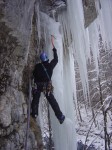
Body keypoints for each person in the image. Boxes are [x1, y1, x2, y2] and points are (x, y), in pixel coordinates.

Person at [31, 47, 65, 124]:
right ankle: (60, 116)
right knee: (53, 102)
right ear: (47, 58)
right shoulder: (50, 66)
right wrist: (54, 50)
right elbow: (56, 59)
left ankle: (34, 114)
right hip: (47, 86)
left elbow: (34, 74)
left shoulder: (37, 66)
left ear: (41, 59)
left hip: (38, 85)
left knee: (35, 100)